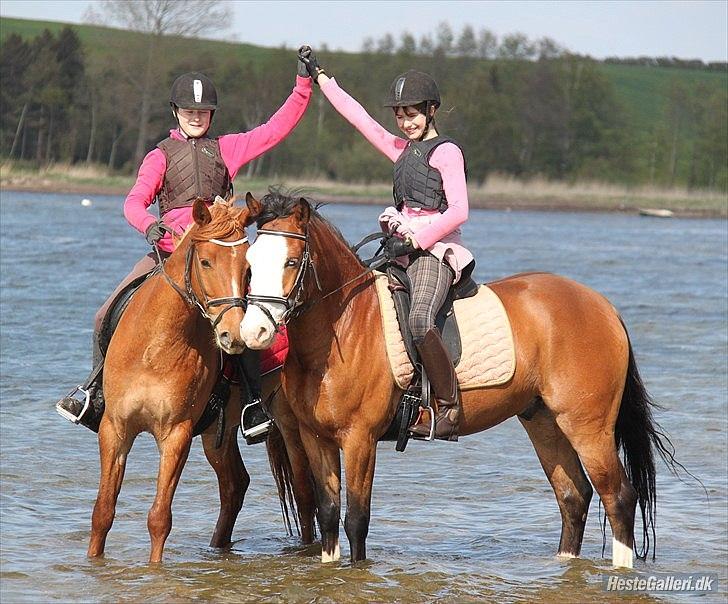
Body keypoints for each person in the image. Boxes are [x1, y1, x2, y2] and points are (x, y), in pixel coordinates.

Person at [56, 61, 313, 437]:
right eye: (190, 111)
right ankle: (94, 392)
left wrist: (303, 85)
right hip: (168, 254)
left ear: (211, 115)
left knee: (247, 319)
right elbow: (133, 203)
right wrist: (150, 226)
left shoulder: (227, 148)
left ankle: (255, 404)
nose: (197, 117)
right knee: (103, 314)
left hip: (220, 257)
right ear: (176, 112)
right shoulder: (159, 155)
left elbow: (274, 130)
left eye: (203, 112)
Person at [298, 49, 474, 442]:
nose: (405, 121)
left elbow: (460, 210)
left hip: (436, 251)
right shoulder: (399, 149)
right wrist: (322, 78)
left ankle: (446, 408)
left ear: (431, 111)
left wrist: (418, 237)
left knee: (419, 320)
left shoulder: (447, 152)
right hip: (401, 248)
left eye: (412, 113)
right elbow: (358, 117)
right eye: (399, 115)